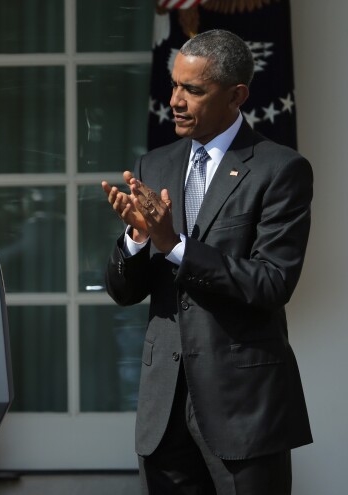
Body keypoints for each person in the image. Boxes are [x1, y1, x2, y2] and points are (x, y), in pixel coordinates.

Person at [101, 30, 312, 494]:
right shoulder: (153, 165)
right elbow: (124, 291)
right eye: (174, 85)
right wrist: (135, 240)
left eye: (193, 90)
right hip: (164, 408)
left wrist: (173, 244)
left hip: (244, 408)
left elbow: (272, 283)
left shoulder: (280, 170)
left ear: (236, 96)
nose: (176, 100)